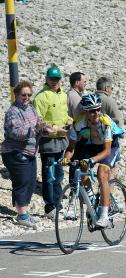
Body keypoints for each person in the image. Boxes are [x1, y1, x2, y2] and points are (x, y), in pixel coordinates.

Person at [61, 93, 125, 228]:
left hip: (109, 147)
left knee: (102, 173)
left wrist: (91, 160)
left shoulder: (105, 122)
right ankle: (93, 201)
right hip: (92, 145)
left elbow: (107, 151)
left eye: (98, 109)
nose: (96, 113)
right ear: (85, 112)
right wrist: (66, 159)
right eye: (91, 110)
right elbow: (71, 147)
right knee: (81, 170)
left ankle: (104, 215)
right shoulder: (78, 123)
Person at [1, 80, 54, 228]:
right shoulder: (13, 112)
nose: (27, 97)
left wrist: (45, 128)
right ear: (16, 95)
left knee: (30, 182)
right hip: (15, 152)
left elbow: (38, 123)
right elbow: (15, 133)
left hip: (30, 152)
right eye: (23, 94)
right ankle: (21, 215)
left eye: (29, 95)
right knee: (22, 182)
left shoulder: (31, 108)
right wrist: (35, 130)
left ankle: (24, 212)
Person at [33, 65, 73, 221]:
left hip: (61, 141)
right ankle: (50, 207)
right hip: (48, 142)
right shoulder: (41, 97)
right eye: (52, 78)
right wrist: (57, 129)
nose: (54, 81)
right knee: (49, 176)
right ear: (46, 78)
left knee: (59, 174)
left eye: (57, 79)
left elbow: (66, 114)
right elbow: (38, 122)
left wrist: (69, 122)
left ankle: (58, 205)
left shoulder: (63, 94)